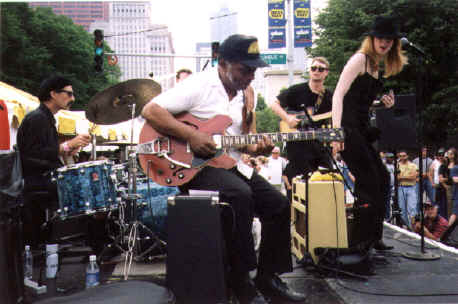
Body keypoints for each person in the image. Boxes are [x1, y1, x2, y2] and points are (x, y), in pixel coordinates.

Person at [141, 34, 304, 304]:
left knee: (277, 204)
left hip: (230, 165)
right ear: (223, 63)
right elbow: (151, 110)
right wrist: (191, 136)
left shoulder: (247, 94)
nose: (250, 76)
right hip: (193, 166)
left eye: (254, 70)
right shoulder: (201, 84)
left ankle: (268, 278)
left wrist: (259, 148)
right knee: (239, 195)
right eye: (244, 69)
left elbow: (245, 142)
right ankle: (240, 280)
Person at [331, 15, 408, 252]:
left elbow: (359, 103)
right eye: (380, 38)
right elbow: (338, 95)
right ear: (372, 39)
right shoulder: (359, 60)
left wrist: (381, 105)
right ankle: (359, 245)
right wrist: (336, 134)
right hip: (348, 130)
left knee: (383, 179)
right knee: (369, 182)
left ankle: (374, 237)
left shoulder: (376, 65)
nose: (384, 43)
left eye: (389, 39)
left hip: (361, 129)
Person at [17, 75, 91, 247]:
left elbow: (45, 152)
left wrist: (69, 149)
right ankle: (86, 239)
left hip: (42, 178)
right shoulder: (38, 118)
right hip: (37, 182)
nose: (72, 98)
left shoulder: (46, 118)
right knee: (87, 188)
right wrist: (64, 147)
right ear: (53, 94)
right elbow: (31, 154)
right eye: (68, 94)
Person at [270, 57, 333, 186]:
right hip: (298, 147)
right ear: (309, 71)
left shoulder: (330, 96)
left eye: (321, 69)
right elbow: (274, 104)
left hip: (321, 147)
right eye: (313, 68)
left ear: (326, 72)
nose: (316, 71)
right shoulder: (296, 90)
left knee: (326, 183)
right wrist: (288, 118)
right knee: (300, 187)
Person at [397, 150, 419, 229]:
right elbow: (397, 178)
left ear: (407, 156)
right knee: (402, 209)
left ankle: (414, 227)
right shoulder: (397, 165)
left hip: (411, 188)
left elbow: (413, 177)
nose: (403, 157)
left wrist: (402, 176)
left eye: (404, 156)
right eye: (401, 156)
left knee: (412, 208)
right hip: (401, 188)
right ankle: (406, 227)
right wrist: (408, 176)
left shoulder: (413, 165)